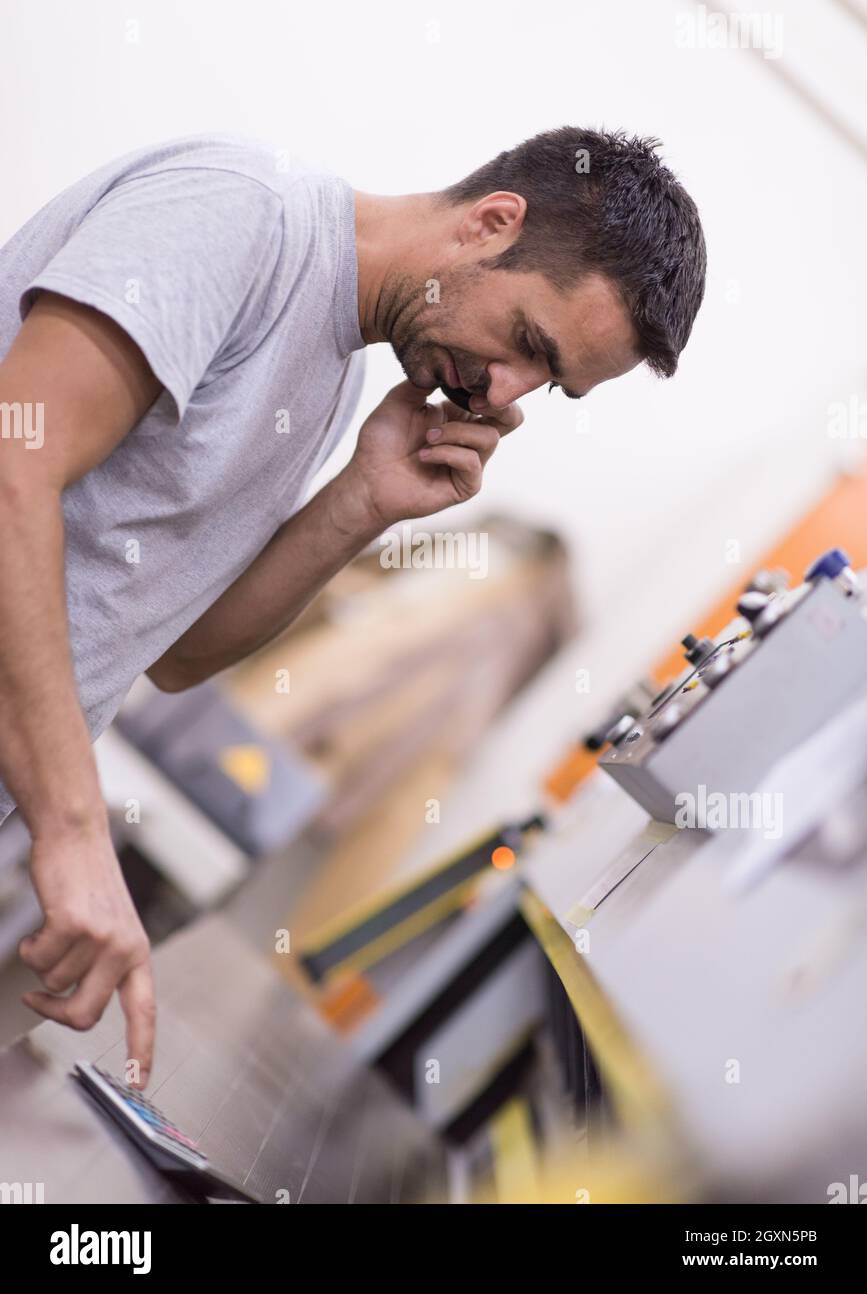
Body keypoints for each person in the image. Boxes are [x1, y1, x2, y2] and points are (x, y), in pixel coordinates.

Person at [0, 125, 706, 1087]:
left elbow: (174, 653)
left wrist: (359, 505)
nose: (506, 394)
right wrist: (76, 832)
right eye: (526, 345)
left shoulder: (331, 381)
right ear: (490, 224)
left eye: (550, 385)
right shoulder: (242, 218)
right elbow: (12, 467)